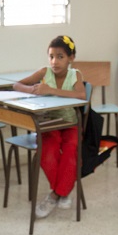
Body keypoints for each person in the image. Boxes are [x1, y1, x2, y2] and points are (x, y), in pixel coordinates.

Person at [14, 35, 86, 219]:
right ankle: (62, 191)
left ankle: (54, 195)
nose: (55, 61)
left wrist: (51, 90)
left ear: (71, 58)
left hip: (71, 124)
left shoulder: (74, 74)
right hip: (48, 124)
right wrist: (33, 90)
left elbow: (81, 95)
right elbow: (16, 84)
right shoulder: (44, 72)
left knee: (70, 153)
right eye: (51, 56)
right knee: (48, 153)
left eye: (60, 56)